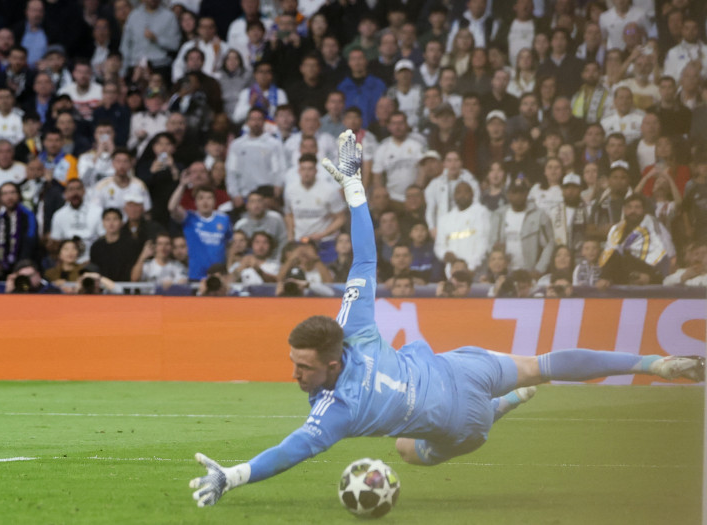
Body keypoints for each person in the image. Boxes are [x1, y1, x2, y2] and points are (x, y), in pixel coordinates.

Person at [188, 130, 705, 508]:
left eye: (303, 367)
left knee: (406, 450)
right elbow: (365, 259)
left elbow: (292, 449)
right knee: (542, 363)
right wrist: (354, 188)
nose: (295, 375)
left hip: (464, 423)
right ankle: (655, 364)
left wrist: (233, 477)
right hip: (463, 367)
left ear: (330, 360)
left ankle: (503, 407)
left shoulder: (338, 411)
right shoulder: (354, 326)